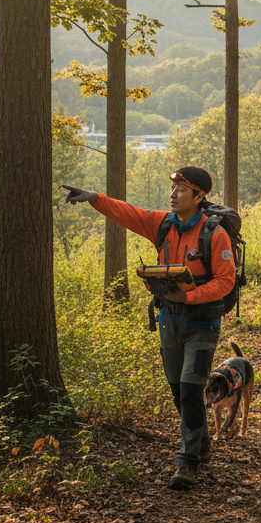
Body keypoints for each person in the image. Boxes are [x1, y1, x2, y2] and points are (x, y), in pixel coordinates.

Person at [62, 167, 236, 492]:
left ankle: (187, 463)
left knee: (189, 388)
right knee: (177, 391)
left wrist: (190, 296)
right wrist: (95, 199)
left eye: (182, 189)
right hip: (169, 322)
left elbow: (225, 281)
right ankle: (201, 442)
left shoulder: (215, 233)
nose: (173, 194)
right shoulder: (163, 224)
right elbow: (130, 214)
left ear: (199, 196)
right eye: (173, 187)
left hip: (202, 325)